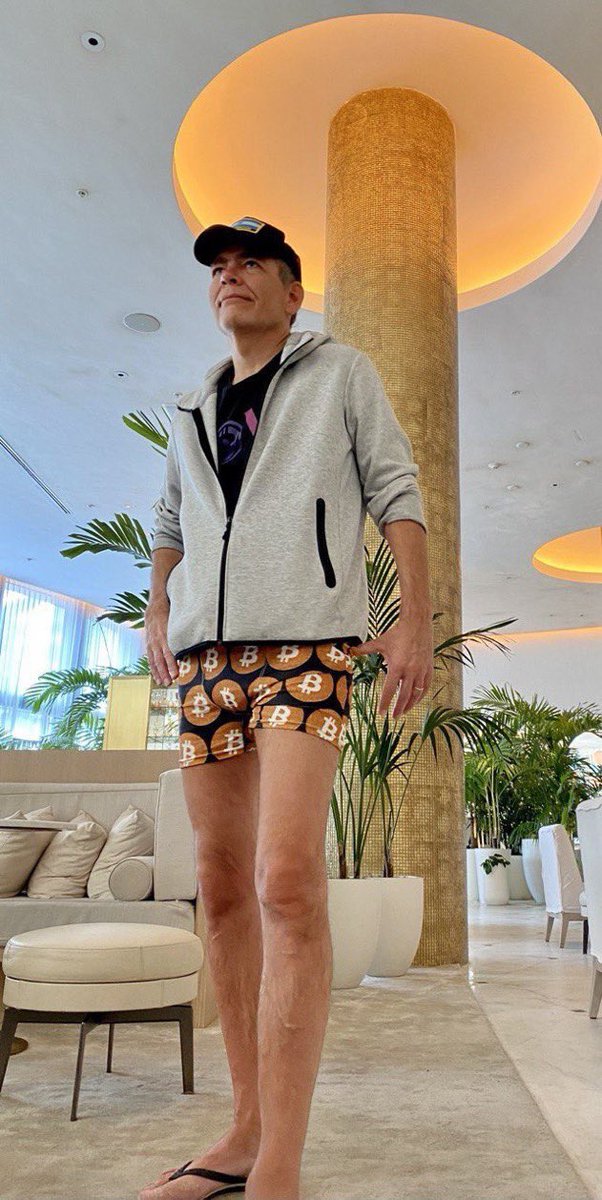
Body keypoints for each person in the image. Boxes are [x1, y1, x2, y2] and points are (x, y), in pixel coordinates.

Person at [141, 216, 434, 1200]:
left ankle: (280, 1165)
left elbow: (396, 490)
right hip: (204, 657)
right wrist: (157, 606)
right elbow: (171, 519)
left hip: (305, 646)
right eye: (219, 267)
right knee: (221, 887)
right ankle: (242, 1132)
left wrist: (413, 622)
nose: (230, 276)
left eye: (252, 263)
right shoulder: (192, 405)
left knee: (285, 883)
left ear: (292, 291)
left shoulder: (339, 373)